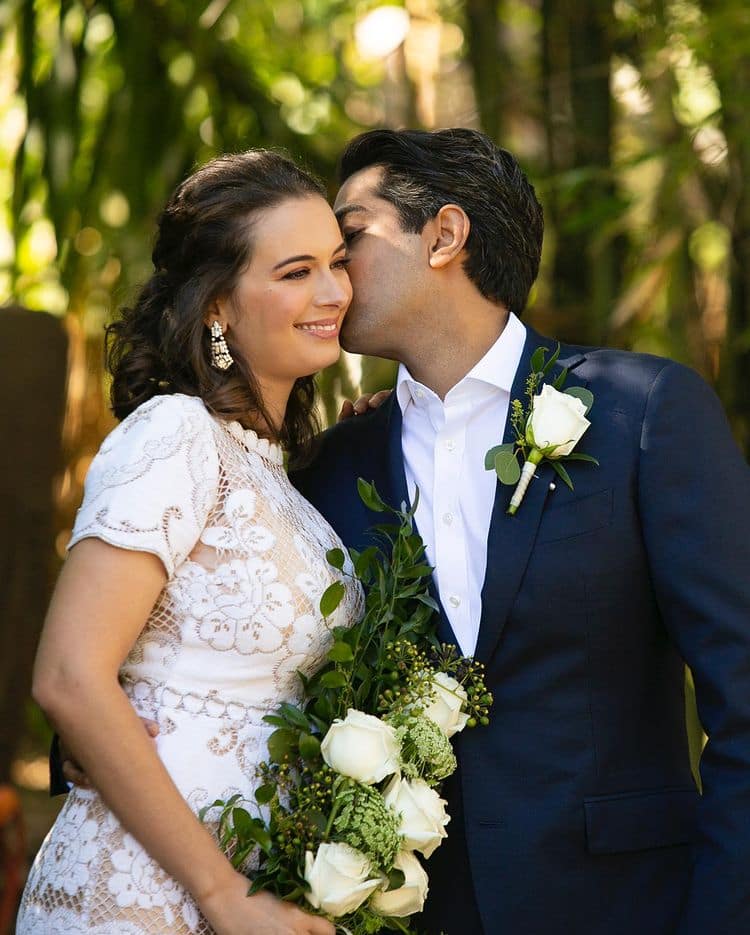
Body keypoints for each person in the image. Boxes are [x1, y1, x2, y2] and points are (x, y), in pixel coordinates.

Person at [290, 129, 750, 934]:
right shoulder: (331, 467)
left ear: (445, 235)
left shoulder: (642, 413)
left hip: (629, 908)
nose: (328, 276)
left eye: (349, 239)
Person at [19, 150, 361, 935]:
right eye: (296, 271)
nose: (334, 292)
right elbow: (70, 675)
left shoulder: (274, 470)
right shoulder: (176, 433)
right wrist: (223, 893)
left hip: (242, 890)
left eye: (338, 263)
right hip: (142, 893)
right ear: (217, 306)